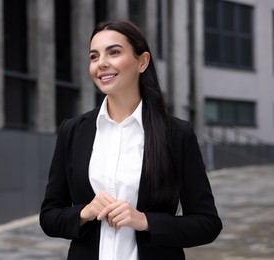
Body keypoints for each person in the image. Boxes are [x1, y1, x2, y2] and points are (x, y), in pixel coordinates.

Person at [40, 20, 222, 260]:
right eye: (94, 57)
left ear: (142, 61)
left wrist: (145, 221)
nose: (101, 63)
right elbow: (49, 217)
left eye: (114, 52)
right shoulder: (73, 131)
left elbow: (207, 224)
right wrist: (84, 212)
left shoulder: (176, 134)